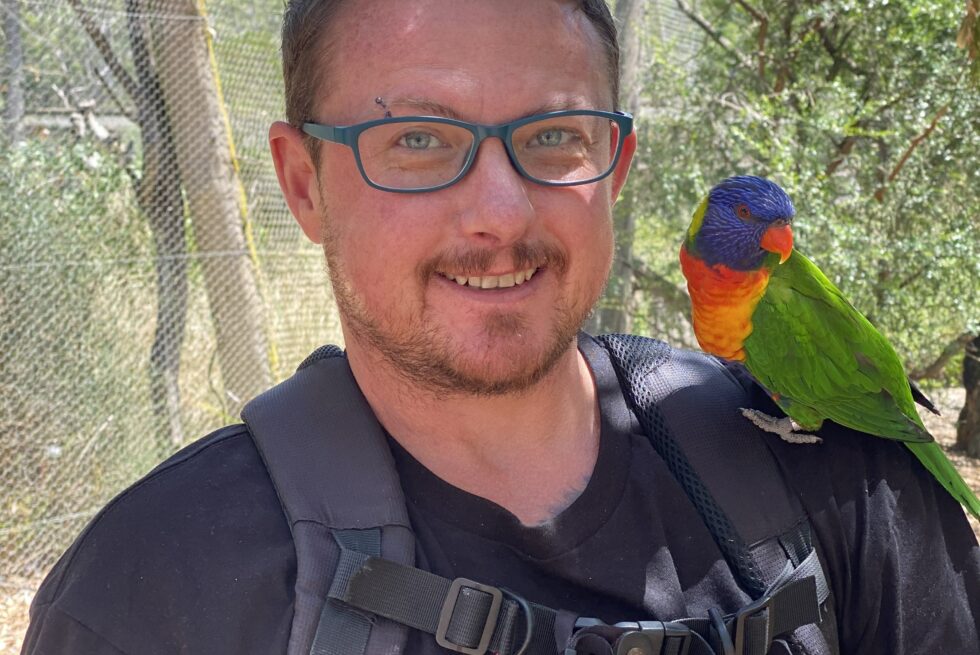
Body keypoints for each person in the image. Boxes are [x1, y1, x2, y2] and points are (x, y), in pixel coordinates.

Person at [20, 1, 979, 654]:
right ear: (303, 183)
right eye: (419, 139)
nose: (500, 214)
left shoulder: (847, 486)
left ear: (616, 165)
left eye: (554, 135)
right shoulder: (150, 588)